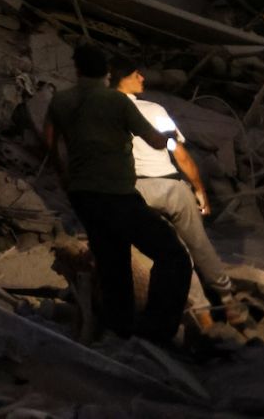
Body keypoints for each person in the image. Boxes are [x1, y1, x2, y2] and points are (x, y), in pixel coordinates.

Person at [43, 43, 192, 344]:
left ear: (78, 69)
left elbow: (49, 139)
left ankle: (120, 330)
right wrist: (169, 137)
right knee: (172, 255)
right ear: (107, 73)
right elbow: (152, 140)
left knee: (114, 260)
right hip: (117, 193)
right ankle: (156, 331)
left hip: (83, 196)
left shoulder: (61, 101)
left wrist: (64, 174)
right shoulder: (117, 102)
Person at [109, 53, 240, 317]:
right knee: (199, 244)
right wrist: (199, 189)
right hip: (170, 187)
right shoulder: (153, 110)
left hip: (137, 192)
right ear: (122, 81)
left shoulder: (103, 116)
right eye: (136, 74)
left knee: (174, 252)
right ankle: (229, 300)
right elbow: (179, 154)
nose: (142, 77)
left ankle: (202, 313)